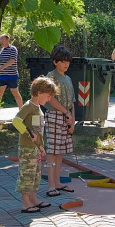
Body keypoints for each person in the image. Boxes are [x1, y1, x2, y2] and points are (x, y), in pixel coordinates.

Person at [12, 76, 58, 213]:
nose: (49, 99)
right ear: (39, 93)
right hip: (27, 149)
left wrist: (41, 147)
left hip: (35, 149)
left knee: (35, 174)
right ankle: (26, 203)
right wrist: (28, 133)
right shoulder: (29, 107)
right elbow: (16, 121)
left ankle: (33, 199)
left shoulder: (37, 108)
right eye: (48, 96)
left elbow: (38, 131)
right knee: (27, 174)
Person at [44, 46, 76, 197]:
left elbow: (72, 101)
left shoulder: (68, 78)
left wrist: (72, 120)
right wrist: (66, 112)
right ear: (55, 61)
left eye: (67, 61)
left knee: (60, 151)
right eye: (63, 61)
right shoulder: (51, 76)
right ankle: (51, 185)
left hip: (66, 117)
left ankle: (57, 182)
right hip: (54, 116)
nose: (66, 64)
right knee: (52, 151)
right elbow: (50, 98)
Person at [0, 34, 23, 107]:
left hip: (12, 76)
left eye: (3, 40)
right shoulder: (1, 50)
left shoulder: (13, 49)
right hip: (2, 76)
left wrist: (2, 67)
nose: (1, 42)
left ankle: (21, 111)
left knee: (15, 94)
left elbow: (12, 60)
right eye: (0, 40)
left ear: (8, 40)